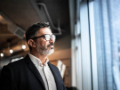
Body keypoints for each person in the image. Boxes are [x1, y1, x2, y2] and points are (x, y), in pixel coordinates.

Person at [0, 22, 67, 90]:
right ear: (32, 43)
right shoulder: (12, 70)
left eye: (52, 37)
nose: (52, 40)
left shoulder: (56, 70)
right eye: (47, 37)